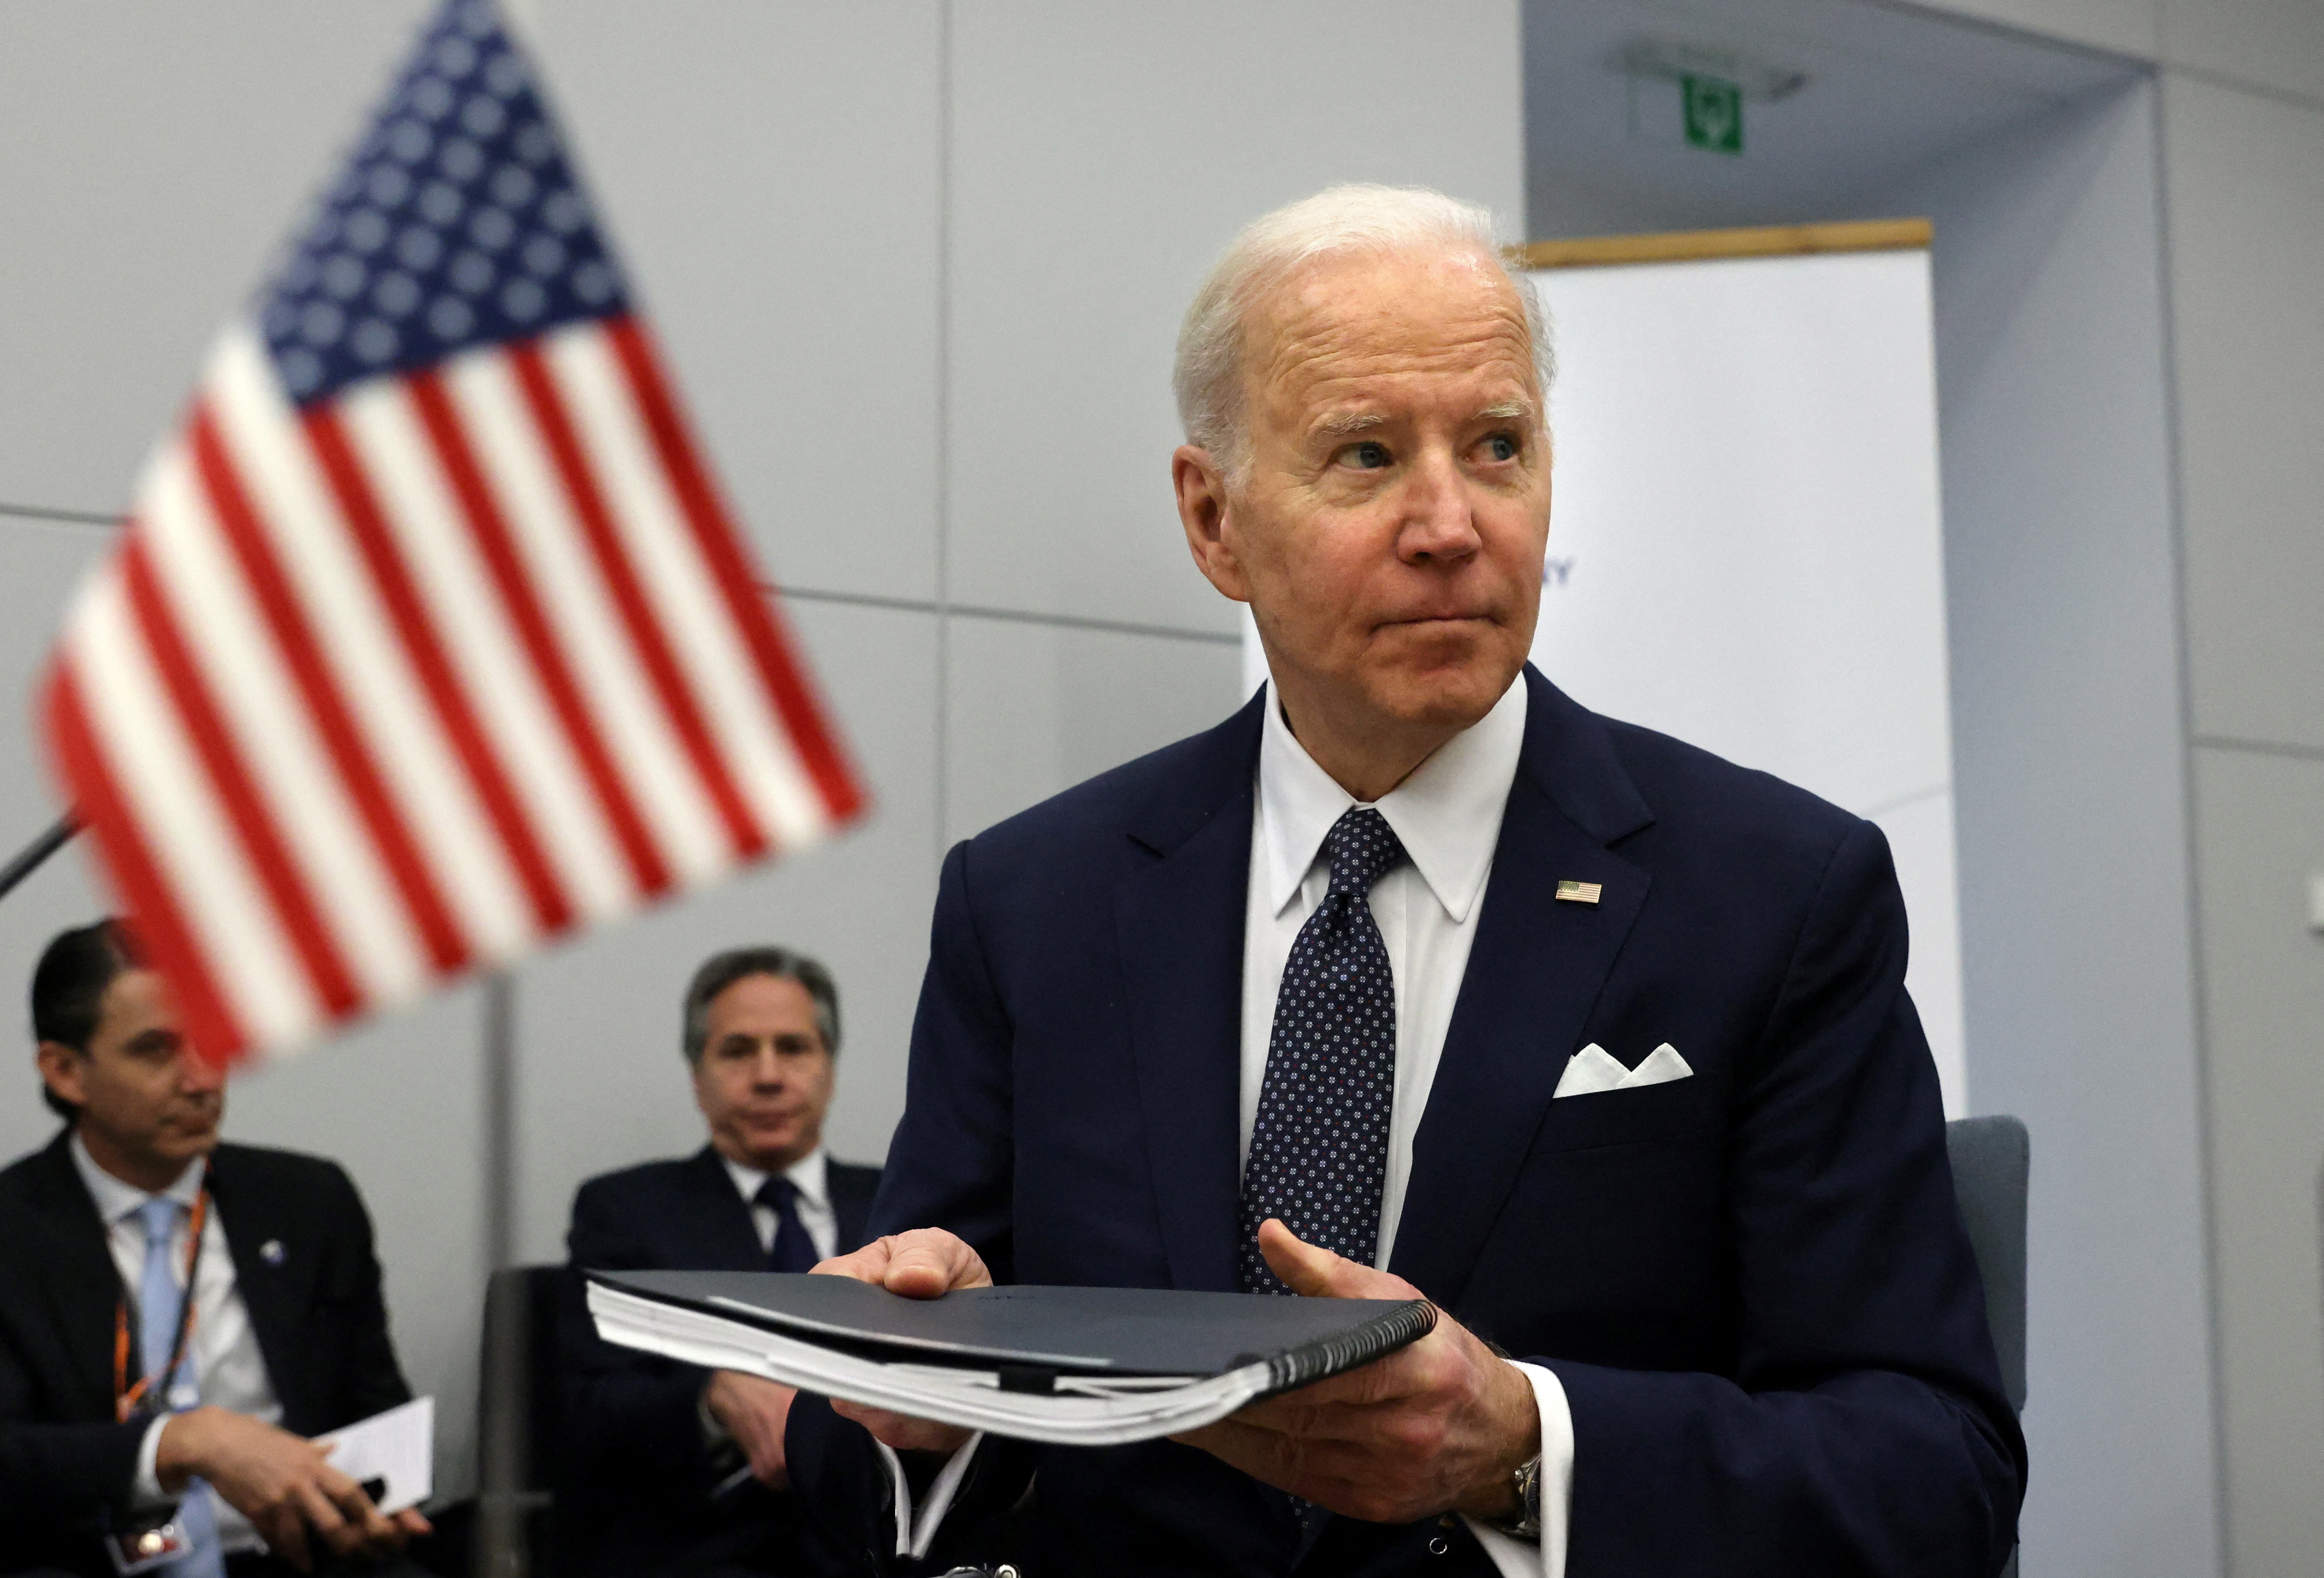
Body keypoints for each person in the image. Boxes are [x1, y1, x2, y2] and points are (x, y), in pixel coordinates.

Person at [780, 185, 2026, 1576]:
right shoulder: (1034, 906)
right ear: (1214, 522)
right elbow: (863, 1458)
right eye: (1367, 456)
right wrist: (918, 1405)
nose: (1450, 522)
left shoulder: (1776, 896)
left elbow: (1934, 1478)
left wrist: (1524, 1443)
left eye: (1496, 446)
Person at [0, 919, 428, 1577]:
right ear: (66, 1071)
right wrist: (181, 1443)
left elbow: (377, 1411)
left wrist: (374, 1508)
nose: (200, 1080)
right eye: (156, 1051)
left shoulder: (308, 1202)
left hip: (291, 1559)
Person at [558, 947, 880, 1578]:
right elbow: (586, 1409)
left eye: (793, 1047)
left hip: (883, 1540)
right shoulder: (625, 1212)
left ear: (829, 1067)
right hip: (707, 1547)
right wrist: (710, 1399)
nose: (768, 1076)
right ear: (697, 1075)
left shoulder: (901, 1209)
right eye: (737, 1051)